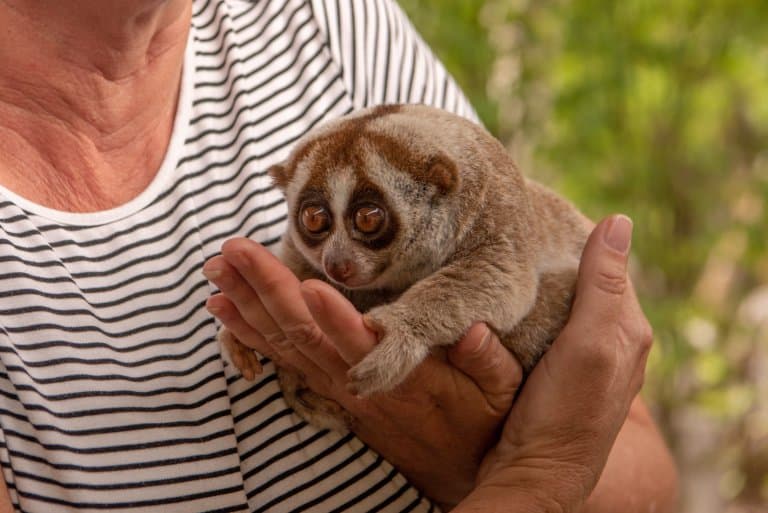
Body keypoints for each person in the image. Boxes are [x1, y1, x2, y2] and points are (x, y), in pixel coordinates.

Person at [0, 0, 677, 512]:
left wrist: (471, 446)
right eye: (316, 223)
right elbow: (568, 447)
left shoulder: (328, 23)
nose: (338, 260)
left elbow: (646, 476)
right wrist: (531, 473)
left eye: (368, 222)